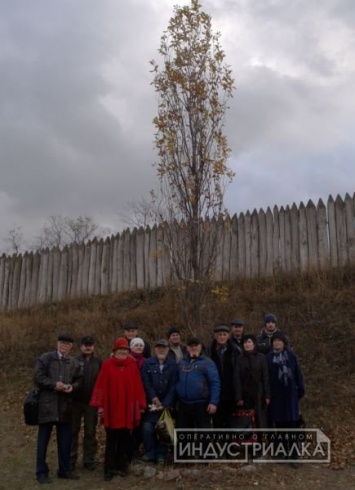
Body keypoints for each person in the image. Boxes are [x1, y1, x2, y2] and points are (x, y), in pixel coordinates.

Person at [90, 337, 146, 481]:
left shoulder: (132, 365)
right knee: (111, 440)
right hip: (111, 409)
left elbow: (138, 386)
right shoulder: (107, 365)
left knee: (124, 439)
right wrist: (100, 406)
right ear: (114, 351)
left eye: (125, 350)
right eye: (120, 350)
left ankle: (121, 466)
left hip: (127, 409)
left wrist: (140, 405)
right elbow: (100, 385)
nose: (122, 352)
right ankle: (108, 469)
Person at [34, 333, 83, 484]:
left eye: (68, 344)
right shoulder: (45, 358)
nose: (64, 346)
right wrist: (53, 385)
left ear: (71, 346)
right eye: (62, 343)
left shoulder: (73, 362)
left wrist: (72, 387)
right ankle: (41, 472)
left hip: (65, 407)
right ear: (57, 344)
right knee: (43, 440)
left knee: (65, 442)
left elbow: (79, 379)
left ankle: (64, 470)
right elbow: (38, 377)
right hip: (47, 405)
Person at [267, 332, 305, 463]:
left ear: (284, 342)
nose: (277, 343)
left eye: (279, 341)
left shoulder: (291, 356)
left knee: (292, 425)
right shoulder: (269, 358)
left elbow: (297, 373)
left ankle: (295, 454)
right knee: (280, 426)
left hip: (290, 395)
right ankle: (282, 452)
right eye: (275, 341)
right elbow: (267, 378)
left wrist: (300, 389)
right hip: (276, 396)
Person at [141, 339, 178, 464]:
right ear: (155, 350)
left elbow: (174, 385)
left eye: (164, 348)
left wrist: (166, 403)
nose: (161, 350)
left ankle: (161, 455)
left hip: (167, 405)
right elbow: (146, 382)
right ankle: (150, 453)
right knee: (147, 428)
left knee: (164, 429)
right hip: (151, 404)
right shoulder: (148, 363)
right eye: (158, 348)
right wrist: (153, 397)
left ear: (168, 350)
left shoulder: (173, 365)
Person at [70, 336, 102, 472]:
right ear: (80, 346)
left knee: (90, 432)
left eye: (90, 344)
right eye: (85, 345)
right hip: (75, 401)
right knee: (72, 431)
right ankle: (70, 459)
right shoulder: (73, 361)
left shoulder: (99, 362)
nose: (88, 347)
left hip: (92, 403)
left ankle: (89, 460)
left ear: (93, 346)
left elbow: (102, 382)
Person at [176, 337, 220, 430]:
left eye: (196, 346)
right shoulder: (181, 362)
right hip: (184, 404)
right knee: (184, 434)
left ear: (200, 347)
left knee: (204, 433)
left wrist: (213, 402)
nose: (193, 348)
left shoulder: (208, 363)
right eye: (191, 346)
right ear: (187, 348)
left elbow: (215, 383)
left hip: (202, 404)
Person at [235, 334, 270, 441]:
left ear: (254, 344)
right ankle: (249, 444)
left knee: (259, 420)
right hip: (245, 394)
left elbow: (266, 377)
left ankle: (259, 445)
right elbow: (236, 379)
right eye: (245, 342)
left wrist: (267, 395)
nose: (247, 344)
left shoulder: (261, 358)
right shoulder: (239, 359)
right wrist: (238, 397)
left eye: (249, 342)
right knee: (247, 420)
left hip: (259, 394)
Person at [207, 325, 238, 428]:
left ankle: (230, 444)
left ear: (228, 336)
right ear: (215, 336)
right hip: (215, 394)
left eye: (224, 334)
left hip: (231, 393)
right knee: (217, 423)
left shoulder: (235, 351)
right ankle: (218, 443)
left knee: (231, 423)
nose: (222, 337)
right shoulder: (209, 351)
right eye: (219, 334)